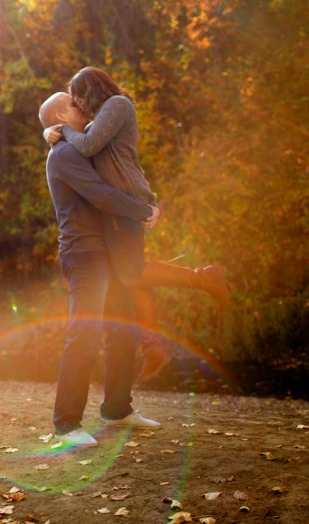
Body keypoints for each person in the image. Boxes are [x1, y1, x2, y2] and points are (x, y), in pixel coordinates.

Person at [45, 66, 230, 381]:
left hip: (127, 203)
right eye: (73, 102)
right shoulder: (98, 120)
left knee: (132, 272)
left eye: (79, 97)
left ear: (91, 90)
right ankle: (152, 346)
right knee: (131, 276)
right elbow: (83, 141)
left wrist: (59, 131)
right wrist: (50, 130)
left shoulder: (117, 105)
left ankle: (204, 279)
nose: (78, 104)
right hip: (122, 206)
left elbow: (87, 145)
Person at [39, 91, 163, 448]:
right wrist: (144, 211)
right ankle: (66, 425)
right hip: (85, 255)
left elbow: (108, 148)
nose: (84, 106)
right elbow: (99, 193)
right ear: (62, 117)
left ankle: (117, 409)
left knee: (122, 332)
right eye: (75, 104)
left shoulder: (76, 146)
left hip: (107, 253)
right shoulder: (63, 154)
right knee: (85, 335)